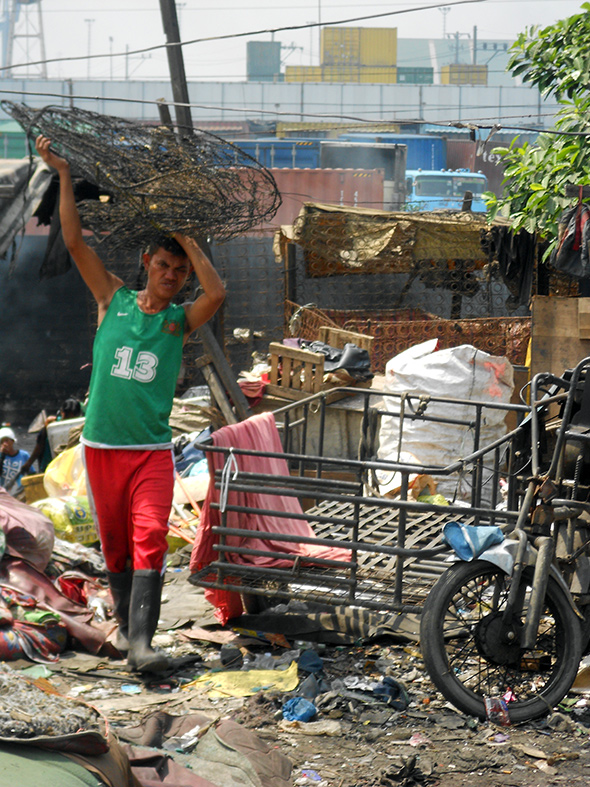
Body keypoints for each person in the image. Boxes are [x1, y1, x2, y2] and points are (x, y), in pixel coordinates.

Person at [35, 135, 225, 674]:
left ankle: (142, 646)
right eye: (164, 264)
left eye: (179, 270)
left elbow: (218, 295)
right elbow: (74, 242)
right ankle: (125, 635)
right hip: (100, 450)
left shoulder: (178, 320)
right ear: (147, 263)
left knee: (149, 540)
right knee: (115, 546)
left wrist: (188, 237)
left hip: (148, 453)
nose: (171, 275)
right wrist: (66, 176)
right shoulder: (112, 299)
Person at [21, 397, 83, 475]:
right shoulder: (52, 425)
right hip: (51, 467)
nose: (70, 418)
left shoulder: (81, 426)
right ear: (62, 413)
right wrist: (28, 463)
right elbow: (40, 445)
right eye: (67, 415)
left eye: (73, 416)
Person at [0, 426, 31, 499]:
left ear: (12, 441)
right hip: (4, 495)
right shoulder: (0, 457)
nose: (5, 444)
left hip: (21, 493)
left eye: (7, 440)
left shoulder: (23, 455)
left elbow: (31, 474)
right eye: (2, 442)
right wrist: (2, 455)